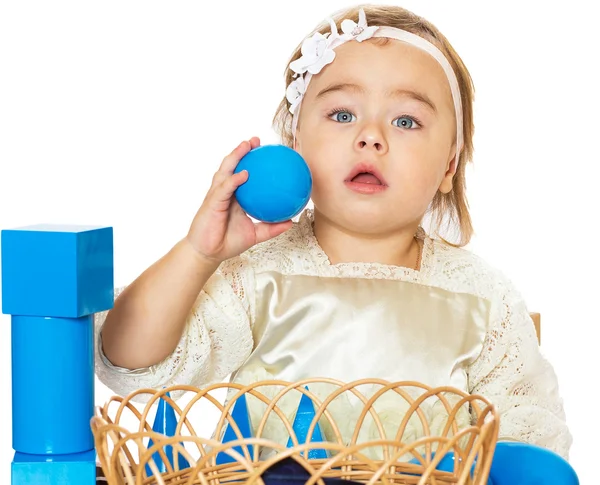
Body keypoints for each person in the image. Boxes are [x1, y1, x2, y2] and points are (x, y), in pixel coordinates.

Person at [94, 4, 572, 460]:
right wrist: (199, 254)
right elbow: (131, 364)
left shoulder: (484, 298)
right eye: (342, 115)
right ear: (297, 144)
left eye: (405, 121)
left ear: (448, 165)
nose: (370, 136)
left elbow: (527, 437)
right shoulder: (256, 277)